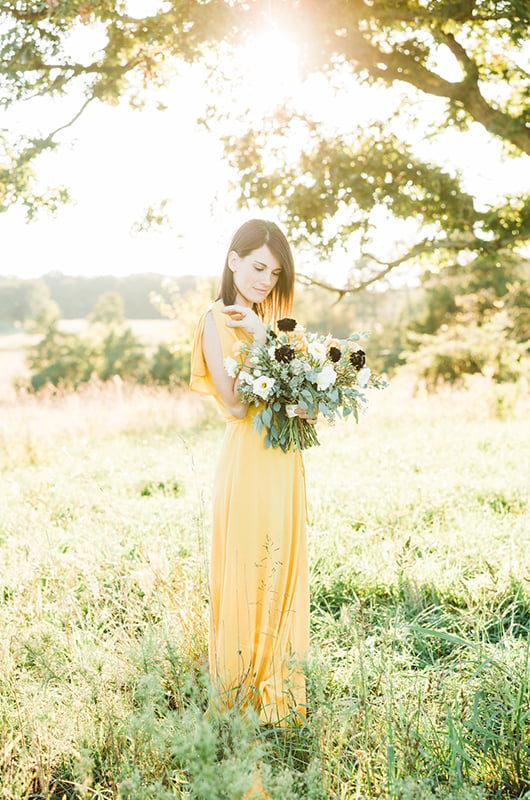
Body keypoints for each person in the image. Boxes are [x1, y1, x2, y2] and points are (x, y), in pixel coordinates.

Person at [189, 219, 312, 725]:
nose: (265, 279)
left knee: (282, 569)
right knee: (247, 568)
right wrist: (260, 337)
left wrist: (311, 404)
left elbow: (306, 397)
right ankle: (240, 693)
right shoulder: (215, 321)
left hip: (285, 463)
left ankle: (278, 689)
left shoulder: (281, 324)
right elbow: (237, 405)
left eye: (275, 272)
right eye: (258, 266)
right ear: (234, 260)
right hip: (247, 458)